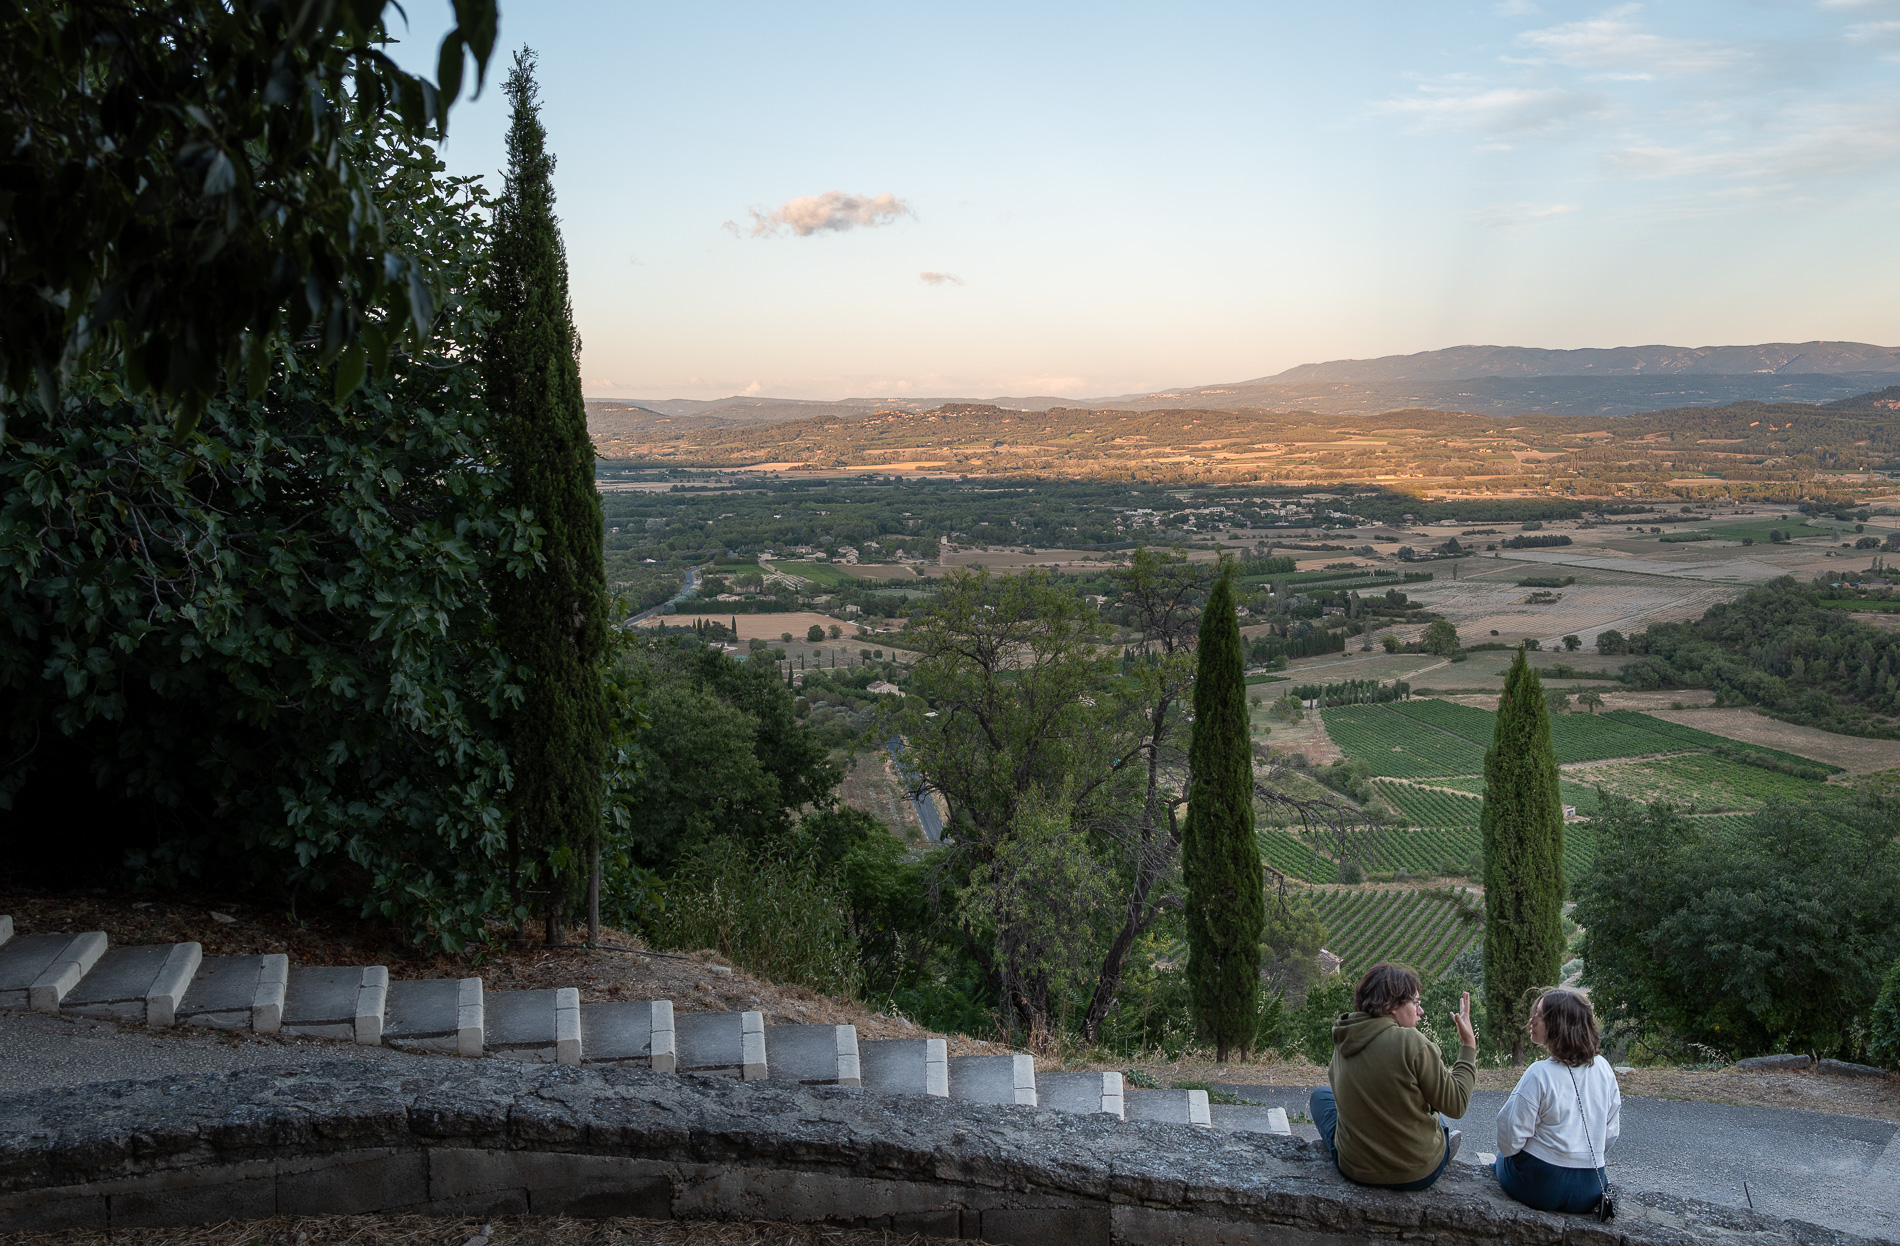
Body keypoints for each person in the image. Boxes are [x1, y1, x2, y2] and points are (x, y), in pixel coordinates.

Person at [1309, 962, 1478, 1190]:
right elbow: (1457, 1104)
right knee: (1438, 1112)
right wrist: (1468, 1045)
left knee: (1320, 1097)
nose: (1420, 1011)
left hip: (1355, 1169)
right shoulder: (1413, 1042)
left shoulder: (1345, 1035)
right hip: (1418, 1173)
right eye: (1415, 1003)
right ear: (1391, 1006)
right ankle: (1442, 1141)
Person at [1491, 988, 1620, 1214]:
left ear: (1559, 1025)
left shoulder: (1539, 1073)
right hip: (1590, 1187)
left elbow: (1509, 1136)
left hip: (1542, 1185)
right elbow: (1610, 1134)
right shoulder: (1604, 1068)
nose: (1532, 1021)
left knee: (1502, 1159)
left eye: (1540, 1015)